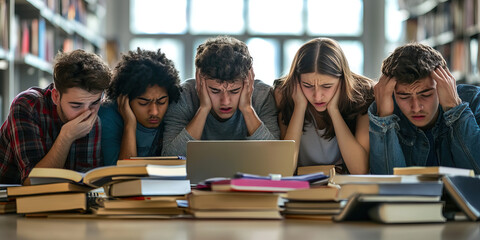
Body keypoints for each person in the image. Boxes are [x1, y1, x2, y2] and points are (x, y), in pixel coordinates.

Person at [0, 49, 111, 184]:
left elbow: (86, 181)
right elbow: (33, 182)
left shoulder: (95, 118)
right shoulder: (27, 105)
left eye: (94, 103)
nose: (86, 113)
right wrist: (66, 137)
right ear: (56, 96)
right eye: (76, 106)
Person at [369, 43, 480, 174]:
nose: (416, 108)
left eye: (426, 94)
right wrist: (384, 118)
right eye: (404, 96)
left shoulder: (474, 100)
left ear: (444, 85)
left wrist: (454, 108)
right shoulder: (385, 106)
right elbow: (387, 184)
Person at [162, 36, 280, 156]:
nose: (225, 101)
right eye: (215, 90)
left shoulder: (263, 95)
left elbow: (276, 157)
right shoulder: (184, 95)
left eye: (234, 91)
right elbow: (170, 157)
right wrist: (203, 109)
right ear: (200, 81)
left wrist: (247, 109)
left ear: (248, 82)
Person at [274, 38, 374, 174]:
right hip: (302, 187)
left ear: (342, 80)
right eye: (307, 85)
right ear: (297, 80)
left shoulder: (364, 94)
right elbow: (285, 169)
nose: (317, 96)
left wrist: (334, 110)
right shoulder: (284, 93)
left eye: (326, 86)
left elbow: (359, 169)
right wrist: (299, 107)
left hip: (344, 188)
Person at [99, 48, 182, 165]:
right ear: (125, 98)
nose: (154, 112)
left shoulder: (173, 112)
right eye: (143, 102)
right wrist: (129, 124)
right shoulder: (108, 115)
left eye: (161, 102)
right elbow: (123, 174)